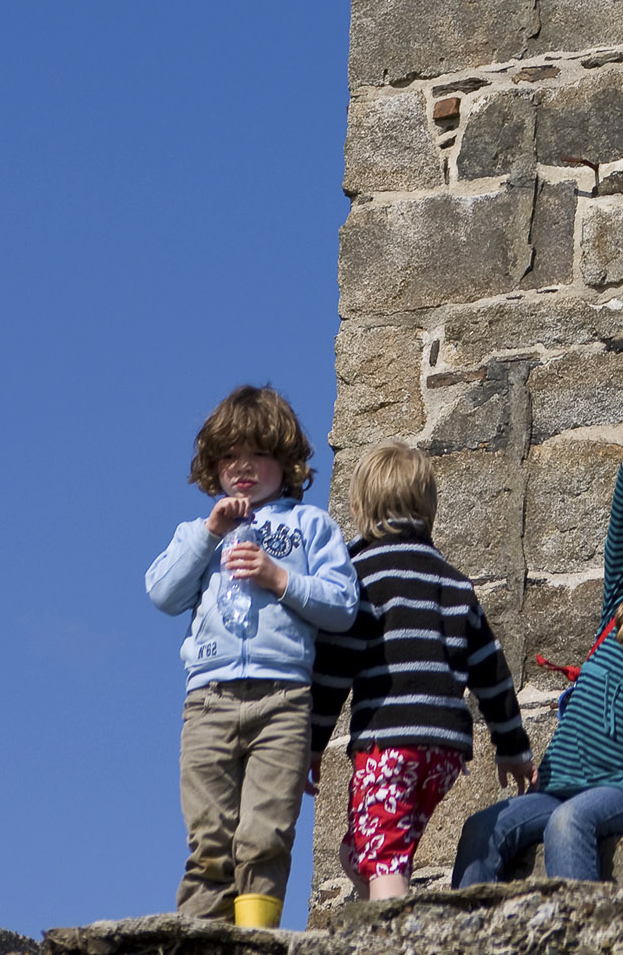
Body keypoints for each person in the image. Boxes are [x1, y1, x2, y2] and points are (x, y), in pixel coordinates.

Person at [451, 419, 623, 884]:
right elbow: (620, 533)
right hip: (556, 787)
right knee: (483, 828)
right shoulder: (618, 617)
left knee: (570, 822)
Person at [145, 385, 359, 926]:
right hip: (208, 702)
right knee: (210, 839)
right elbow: (162, 594)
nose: (243, 467)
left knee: (264, 836)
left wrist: (280, 578)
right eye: (229, 457)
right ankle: (201, 938)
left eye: (258, 454)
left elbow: (343, 605)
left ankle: (253, 940)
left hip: (282, 702)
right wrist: (209, 532)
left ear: (285, 462)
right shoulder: (200, 533)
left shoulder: (310, 527)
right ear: (212, 467)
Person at [309, 441, 535, 901]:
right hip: (444, 753)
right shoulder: (453, 581)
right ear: (429, 506)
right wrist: (511, 746)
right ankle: (385, 905)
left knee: (386, 855)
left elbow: (334, 671)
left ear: (358, 508)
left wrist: (311, 743)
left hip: (389, 742)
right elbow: (491, 670)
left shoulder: (359, 578)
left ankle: (396, 937)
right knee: (360, 849)